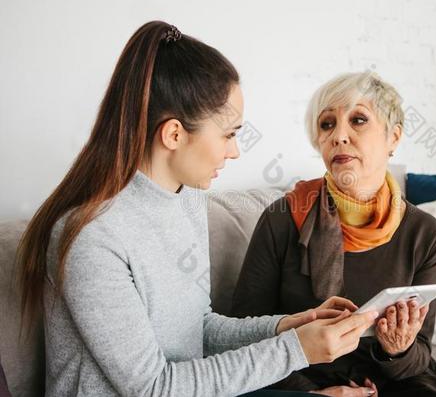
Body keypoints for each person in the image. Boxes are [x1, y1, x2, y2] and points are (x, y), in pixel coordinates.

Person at [15, 22, 378, 397]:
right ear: (174, 134)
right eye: (229, 134)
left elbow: (199, 329)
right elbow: (154, 387)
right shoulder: (91, 237)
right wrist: (297, 350)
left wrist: (288, 328)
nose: (234, 151)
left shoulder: (186, 199)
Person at [232, 72, 436, 396]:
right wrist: (317, 393)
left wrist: (396, 348)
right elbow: (244, 339)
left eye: (358, 120)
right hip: (301, 378)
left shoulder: (425, 234)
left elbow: (419, 355)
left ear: (394, 137)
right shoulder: (282, 219)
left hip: (392, 378)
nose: (338, 136)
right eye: (327, 124)